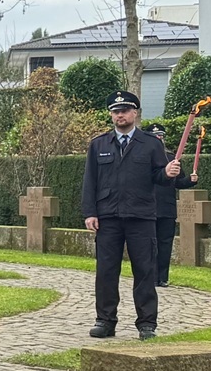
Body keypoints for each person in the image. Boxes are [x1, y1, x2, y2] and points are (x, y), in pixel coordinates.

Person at [82, 89, 180, 340]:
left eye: (124, 110)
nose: (120, 115)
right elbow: (89, 181)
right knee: (106, 272)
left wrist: (169, 173)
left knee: (145, 271)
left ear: (135, 113)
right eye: (115, 112)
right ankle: (105, 320)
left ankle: (147, 323)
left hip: (141, 216)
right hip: (108, 217)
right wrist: (90, 212)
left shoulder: (150, 144)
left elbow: (159, 178)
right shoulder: (99, 144)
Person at [147, 124, 197, 286]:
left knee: (165, 243)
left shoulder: (172, 158)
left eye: (161, 135)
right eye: (155, 136)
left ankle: (163, 278)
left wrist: (190, 180)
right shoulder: (143, 156)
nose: (159, 138)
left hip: (167, 208)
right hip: (148, 207)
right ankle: (151, 276)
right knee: (149, 244)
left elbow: (178, 182)